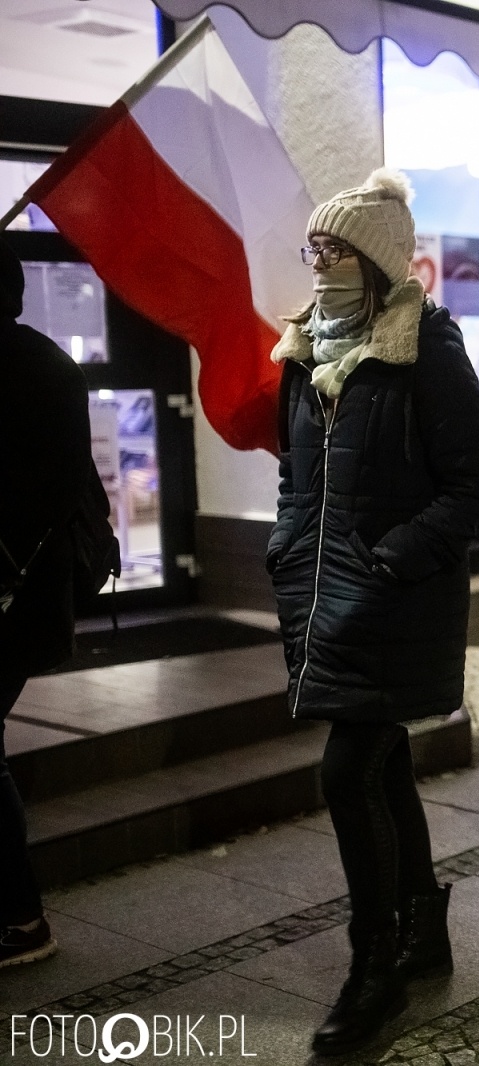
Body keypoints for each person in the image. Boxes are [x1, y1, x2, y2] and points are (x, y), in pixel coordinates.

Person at [267, 169, 479, 1055]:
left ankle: (375, 967)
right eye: (314, 247)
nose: (319, 262)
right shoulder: (304, 349)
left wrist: (391, 557)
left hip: (394, 598)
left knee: (346, 772)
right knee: (383, 764)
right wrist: (289, 546)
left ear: (377, 261)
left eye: (334, 249)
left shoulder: (426, 346)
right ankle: (422, 930)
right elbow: (297, 478)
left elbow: (472, 487)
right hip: (325, 592)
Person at [0, 238, 94, 969]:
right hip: (27, 601)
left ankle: (23, 918)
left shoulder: (28, 369)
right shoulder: (49, 363)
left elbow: (45, 490)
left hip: (11, 599)